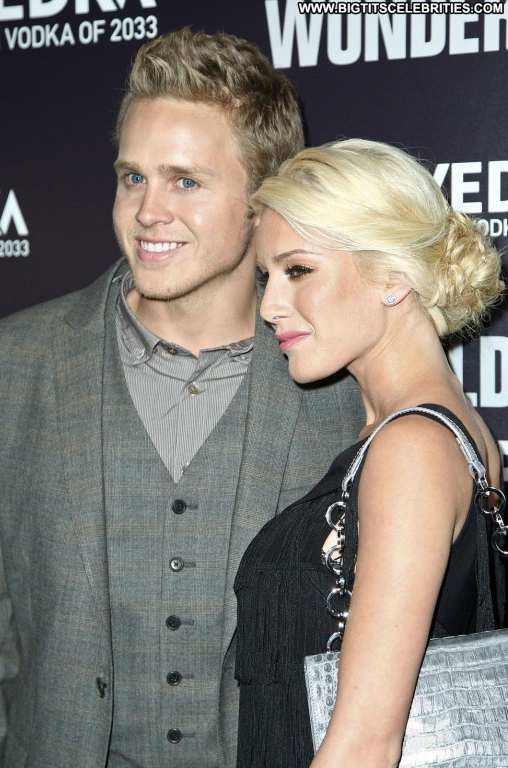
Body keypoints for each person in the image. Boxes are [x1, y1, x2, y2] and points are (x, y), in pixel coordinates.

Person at [0, 29, 363, 768]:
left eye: (185, 182)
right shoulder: (15, 364)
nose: (146, 211)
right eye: (133, 177)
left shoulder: (346, 391)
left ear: (264, 199)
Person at [234, 138, 505, 767]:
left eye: (299, 270)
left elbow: (364, 746)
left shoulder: (411, 449)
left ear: (393, 276)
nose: (270, 306)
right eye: (267, 276)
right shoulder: (425, 436)